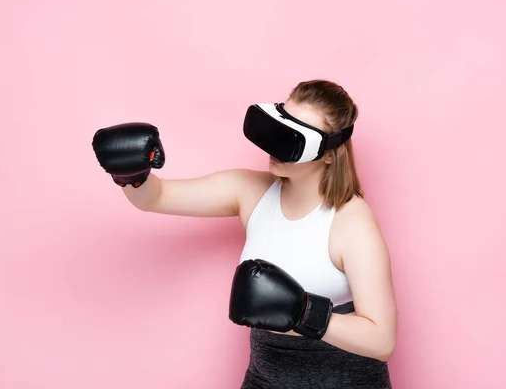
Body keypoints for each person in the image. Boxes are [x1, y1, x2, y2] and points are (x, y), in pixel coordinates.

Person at [92, 79, 397, 388]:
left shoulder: (351, 222)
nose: (277, 143)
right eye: (281, 123)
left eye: (295, 136)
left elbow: (382, 340)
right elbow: (155, 198)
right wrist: (131, 174)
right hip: (264, 378)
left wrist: (303, 312)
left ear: (329, 153)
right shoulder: (250, 192)